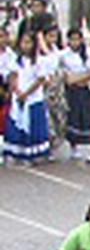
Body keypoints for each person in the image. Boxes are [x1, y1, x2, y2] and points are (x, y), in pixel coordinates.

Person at [3, 29, 49, 164]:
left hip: (33, 98)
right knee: (16, 124)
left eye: (28, 42)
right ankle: (16, 152)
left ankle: (32, 154)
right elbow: (12, 75)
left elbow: (40, 80)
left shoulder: (39, 61)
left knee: (33, 125)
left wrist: (27, 93)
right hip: (18, 97)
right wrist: (17, 91)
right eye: (23, 42)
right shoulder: (15, 60)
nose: (25, 46)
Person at [60, 28, 90, 160]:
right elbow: (66, 76)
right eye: (72, 39)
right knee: (72, 117)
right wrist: (76, 79)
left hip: (84, 89)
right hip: (71, 91)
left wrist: (81, 79)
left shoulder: (86, 53)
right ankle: (73, 147)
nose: (75, 42)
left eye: (77, 39)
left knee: (88, 116)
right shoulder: (63, 55)